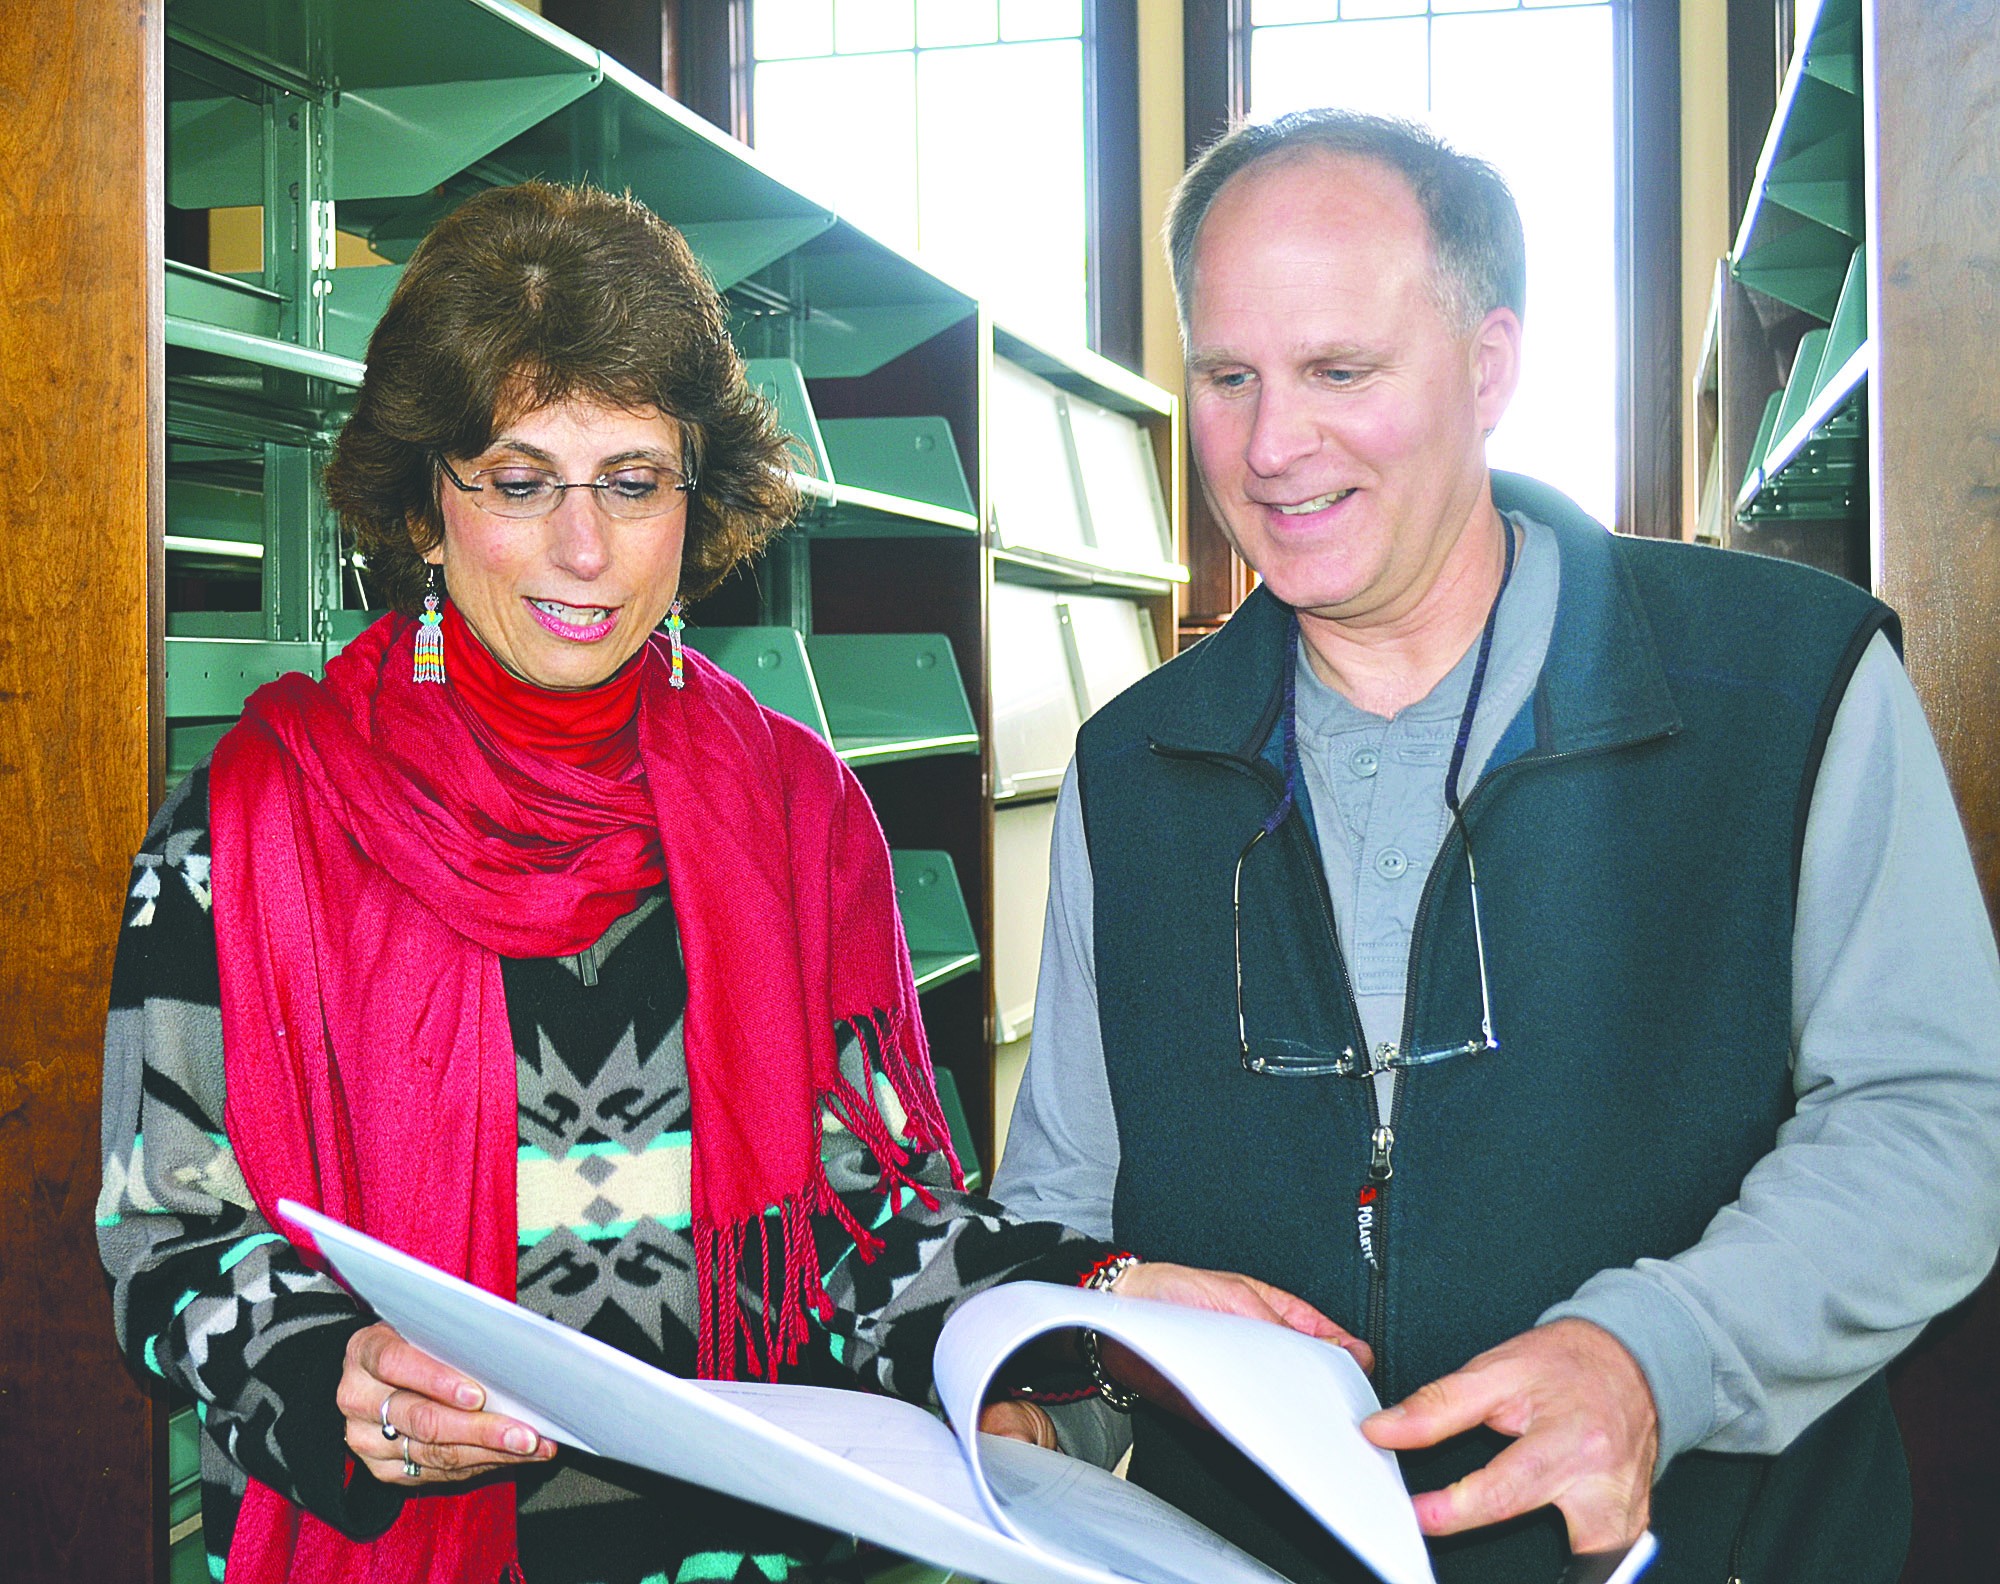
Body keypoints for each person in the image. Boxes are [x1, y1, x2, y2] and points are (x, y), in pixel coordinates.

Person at [96, 181, 1338, 1584]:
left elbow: (880, 1231)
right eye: (518, 481)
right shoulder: (248, 830)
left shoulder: (800, 813)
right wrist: (330, 1370)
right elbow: (163, 1237)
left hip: (768, 1549)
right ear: (422, 511)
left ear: (698, 502)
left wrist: (1096, 1303)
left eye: (633, 480)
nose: (585, 548)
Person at [992, 110, 2000, 1584]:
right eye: (1228, 377)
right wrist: (1041, 1413)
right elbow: (1069, 1205)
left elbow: (1937, 1121)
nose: (1273, 447)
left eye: (1341, 371)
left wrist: (1661, 1356)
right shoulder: (1131, 767)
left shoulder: (1787, 686)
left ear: (1489, 365)